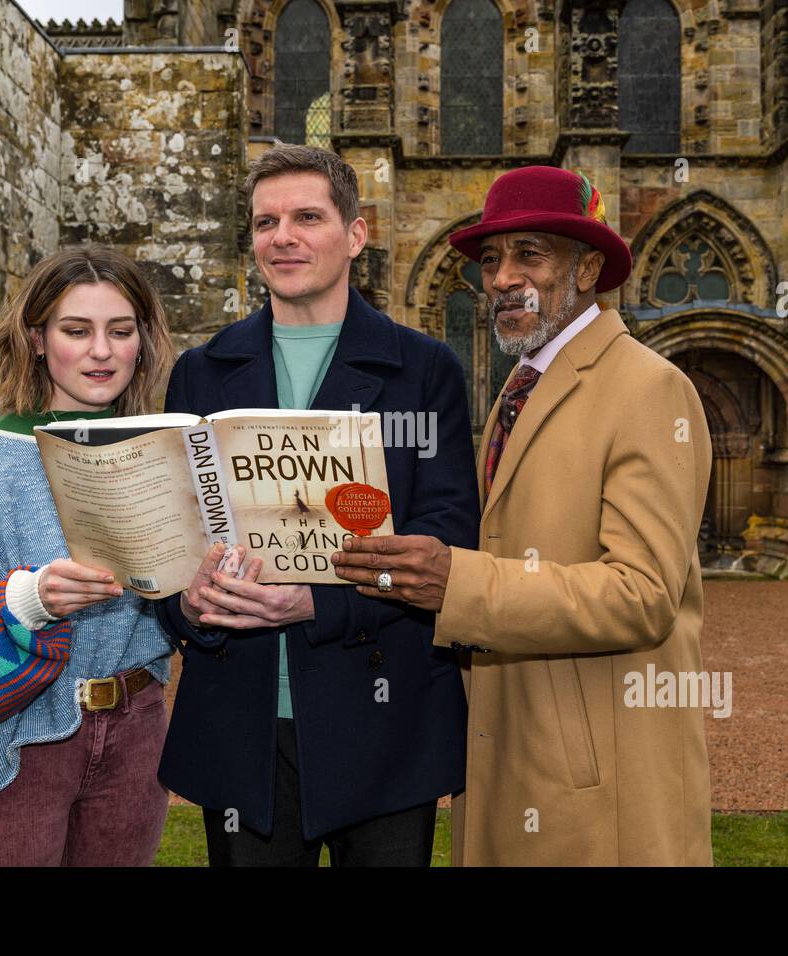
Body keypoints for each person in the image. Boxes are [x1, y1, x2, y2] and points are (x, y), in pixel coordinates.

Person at [331, 166, 715, 866]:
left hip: (600, 781)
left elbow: (644, 595)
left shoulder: (650, 390)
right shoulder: (523, 383)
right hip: (513, 754)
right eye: (490, 261)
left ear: (589, 267)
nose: (504, 278)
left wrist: (458, 584)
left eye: (530, 255)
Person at [155, 144, 481, 866]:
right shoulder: (201, 373)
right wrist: (191, 602)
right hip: (243, 726)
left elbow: (449, 538)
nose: (283, 237)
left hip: (384, 722)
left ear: (355, 235)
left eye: (307, 216)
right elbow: (170, 550)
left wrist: (319, 605)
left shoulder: (425, 370)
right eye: (266, 221)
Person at [0, 245, 177, 866]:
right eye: (76, 331)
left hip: (139, 731)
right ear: (36, 339)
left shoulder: (169, 447)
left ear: (144, 340)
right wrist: (31, 598)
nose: (101, 351)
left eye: (120, 330)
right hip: (18, 735)